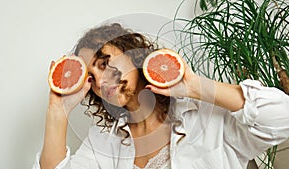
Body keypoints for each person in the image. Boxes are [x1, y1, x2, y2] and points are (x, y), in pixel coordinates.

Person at [33, 23, 289, 169]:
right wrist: (58, 109)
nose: (100, 81)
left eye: (104, 63)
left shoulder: (206, 117)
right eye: (91, 76)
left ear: (133, 56)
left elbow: (282, 118)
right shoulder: (103, 141)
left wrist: (194, 87)